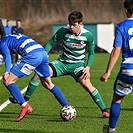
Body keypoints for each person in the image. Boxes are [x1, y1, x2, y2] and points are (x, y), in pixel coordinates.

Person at [9, 11, 110, 118]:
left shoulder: (88, 35)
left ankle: (104, 110)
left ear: (80, 23)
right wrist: (43, 55)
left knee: (87, 84)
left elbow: (92, 53)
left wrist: (88, 67)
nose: (71, 27)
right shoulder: (63, 31)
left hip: (77, 66)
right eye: (70, 24)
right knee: (38, 74)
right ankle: (25, 100)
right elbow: (50, 43)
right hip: (61, 63)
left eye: (74, 25)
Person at [0, 34, 69, 122]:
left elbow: (7, 56)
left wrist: (7, 71)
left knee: (8, 81)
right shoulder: (10, 37)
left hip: (32, 55)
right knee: (48, 83)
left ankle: (25, 106)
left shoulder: (2, 43)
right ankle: (67, 106)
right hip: (42, 53)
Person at [100, 0, 133, 132]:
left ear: (126, 10)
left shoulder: (121, 26)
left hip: (128, 71)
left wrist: (108, 72)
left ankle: (111, 129)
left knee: (117, 100)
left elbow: (116, 51)